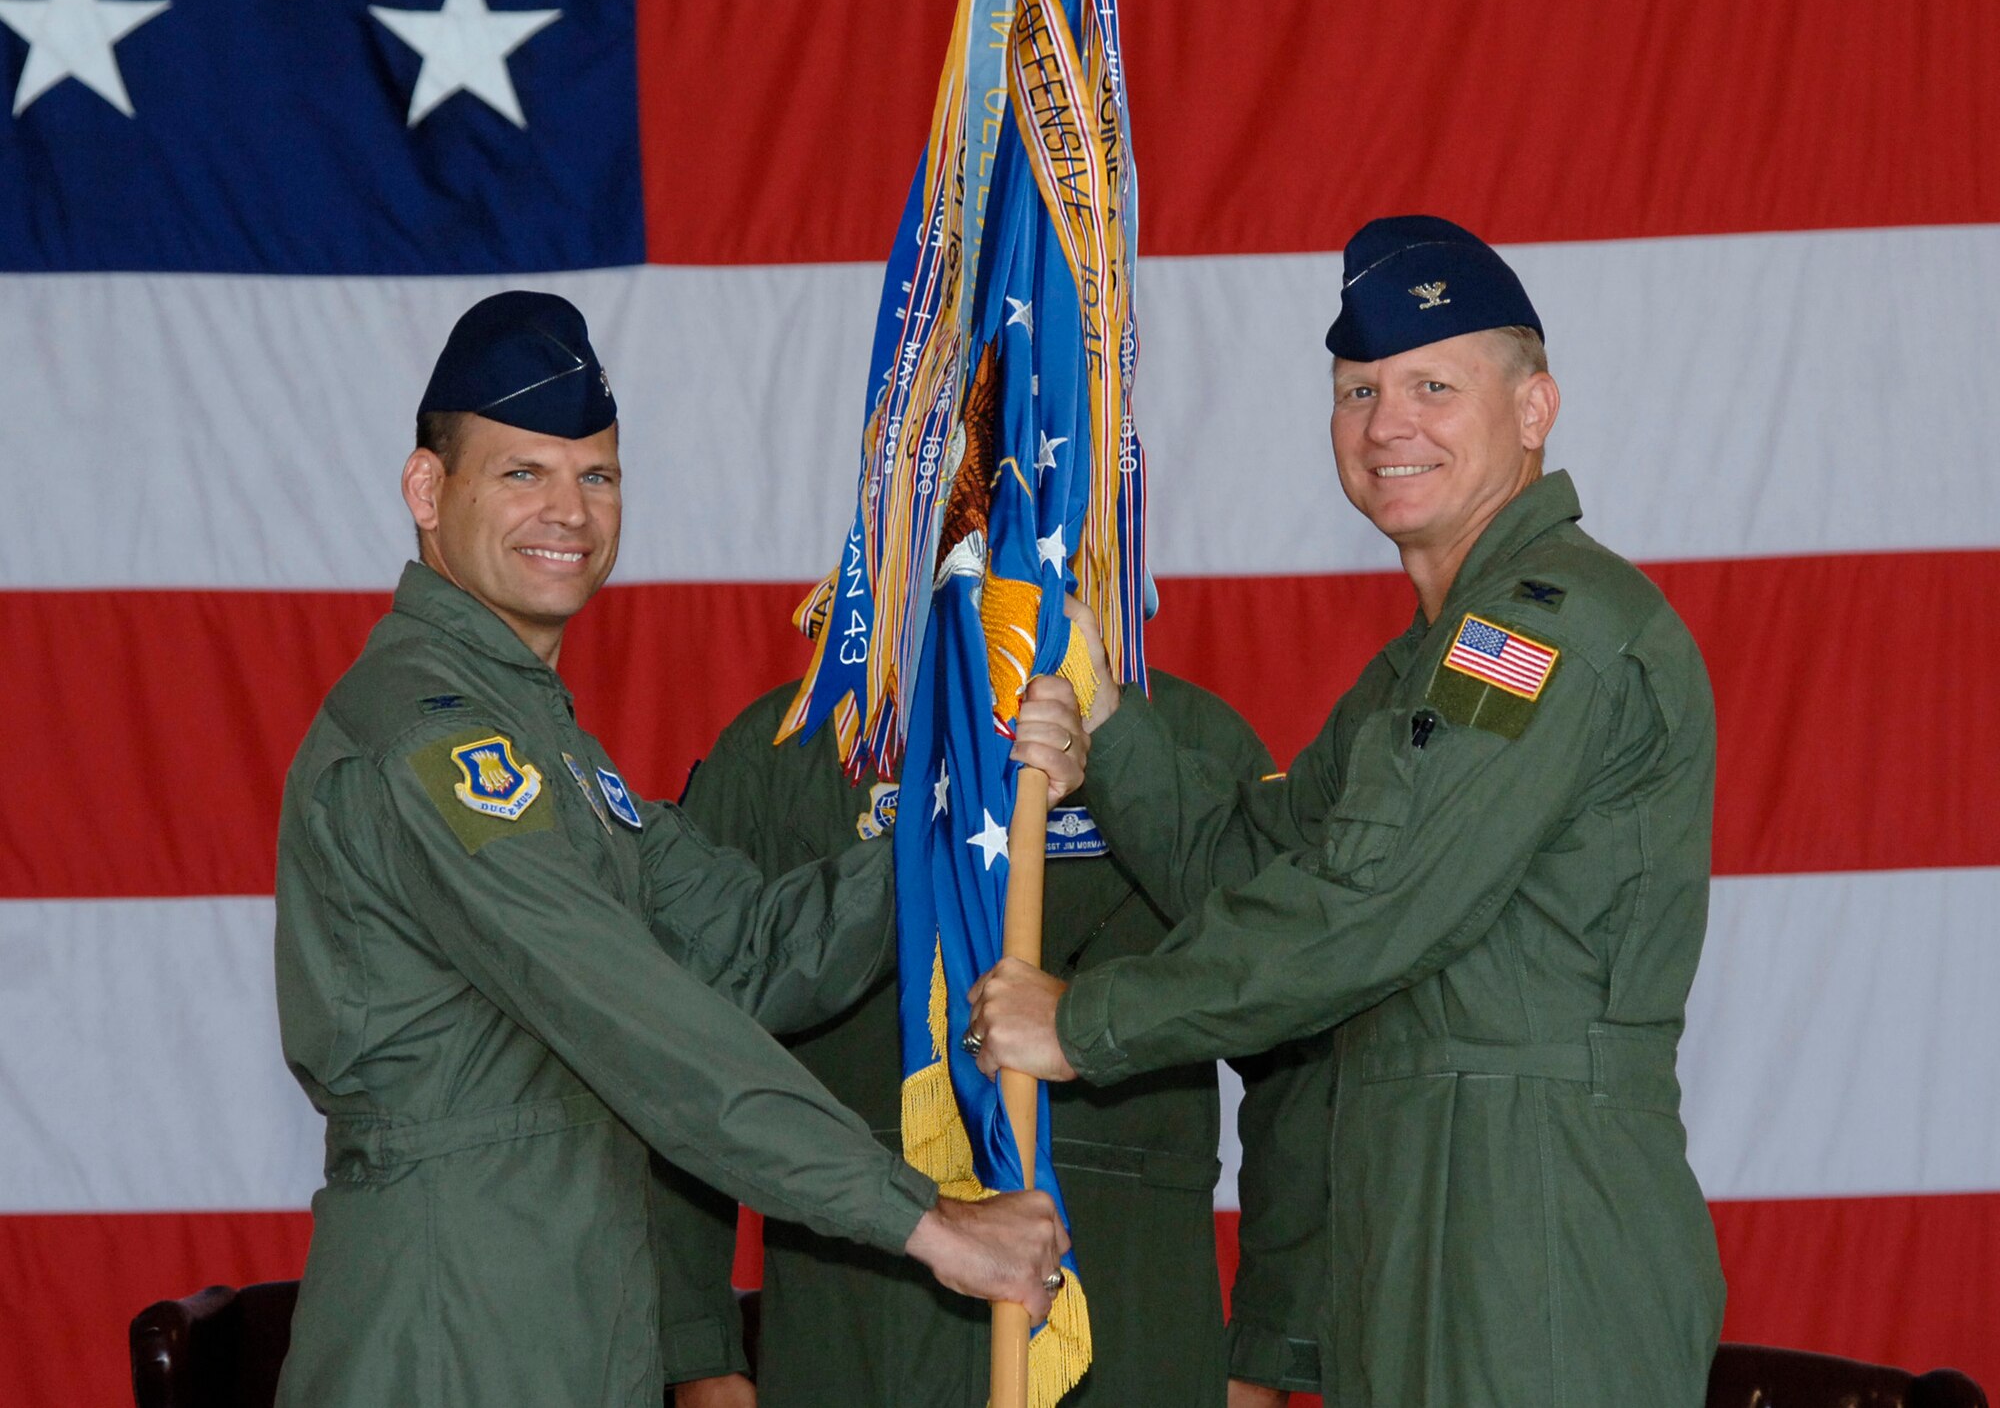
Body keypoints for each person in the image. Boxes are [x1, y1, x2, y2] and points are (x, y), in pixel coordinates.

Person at [967, 216, 1728, 1407]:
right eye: (1356, 388)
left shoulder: (1538, 629)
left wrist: (1087, 1023)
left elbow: (1367, 907)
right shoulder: (1420, 665)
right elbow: (1251, 871)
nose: (1387, 424)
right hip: (1410, 1209)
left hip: (1534, 1213)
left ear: (1533, 410)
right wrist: (1111, 726)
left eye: (1433, 384)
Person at [271, 291, 1081, 1408]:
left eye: (595, 475)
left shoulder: (541, 743)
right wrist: (924, 1222)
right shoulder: (435, 742)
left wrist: (964, 797)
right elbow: (642, 1021)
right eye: (522, 473)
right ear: (425, 490)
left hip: (568, 1303)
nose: (569, 510)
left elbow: (751, 949)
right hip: (452, 1321)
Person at [656, 673, 1331, 1407]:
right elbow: (683, 1044)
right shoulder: (791, 745)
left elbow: (1295, 1039)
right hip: (857, 1321)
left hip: (1135, 1321)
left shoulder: (1189, 737)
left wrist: (1268, 1350)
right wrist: (699, 1354)